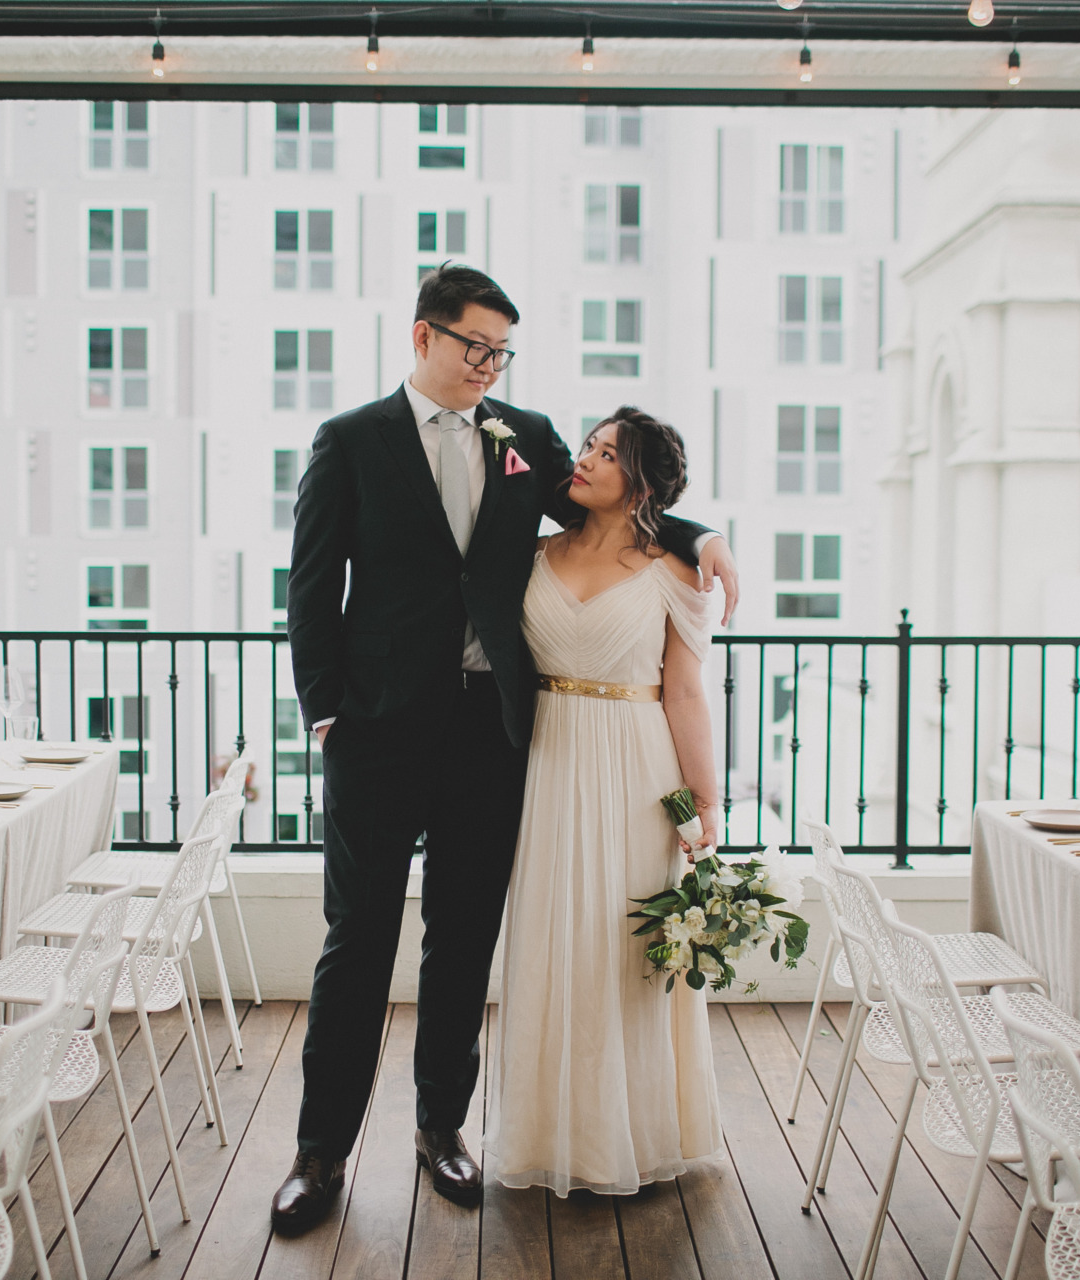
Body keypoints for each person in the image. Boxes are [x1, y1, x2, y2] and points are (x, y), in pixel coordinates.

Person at [276, 265, 738, 1232]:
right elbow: (311, 590)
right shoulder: (352, 441)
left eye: (501, 351)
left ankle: (442, 1128)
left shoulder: (524, 438)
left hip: (493, 735)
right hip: (377, 734)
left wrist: (702, 538)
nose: (487, 366)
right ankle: (320, 1153)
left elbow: (612, 507)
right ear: (423, 338)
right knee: (356, 941)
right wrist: (326, 714)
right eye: (472, 346)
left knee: (462, 941)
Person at [484, 408, 722, 1195]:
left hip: (636, 768)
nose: (584, 458)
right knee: (555, 945)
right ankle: (551, 1136)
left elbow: (685, 693)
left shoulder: (674, 569)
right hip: (548, 762)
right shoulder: (535, 551)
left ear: (641, 481)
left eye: (607, 453)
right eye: (588, 444)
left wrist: (705, 809)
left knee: (624, 956)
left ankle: (636, 1134)